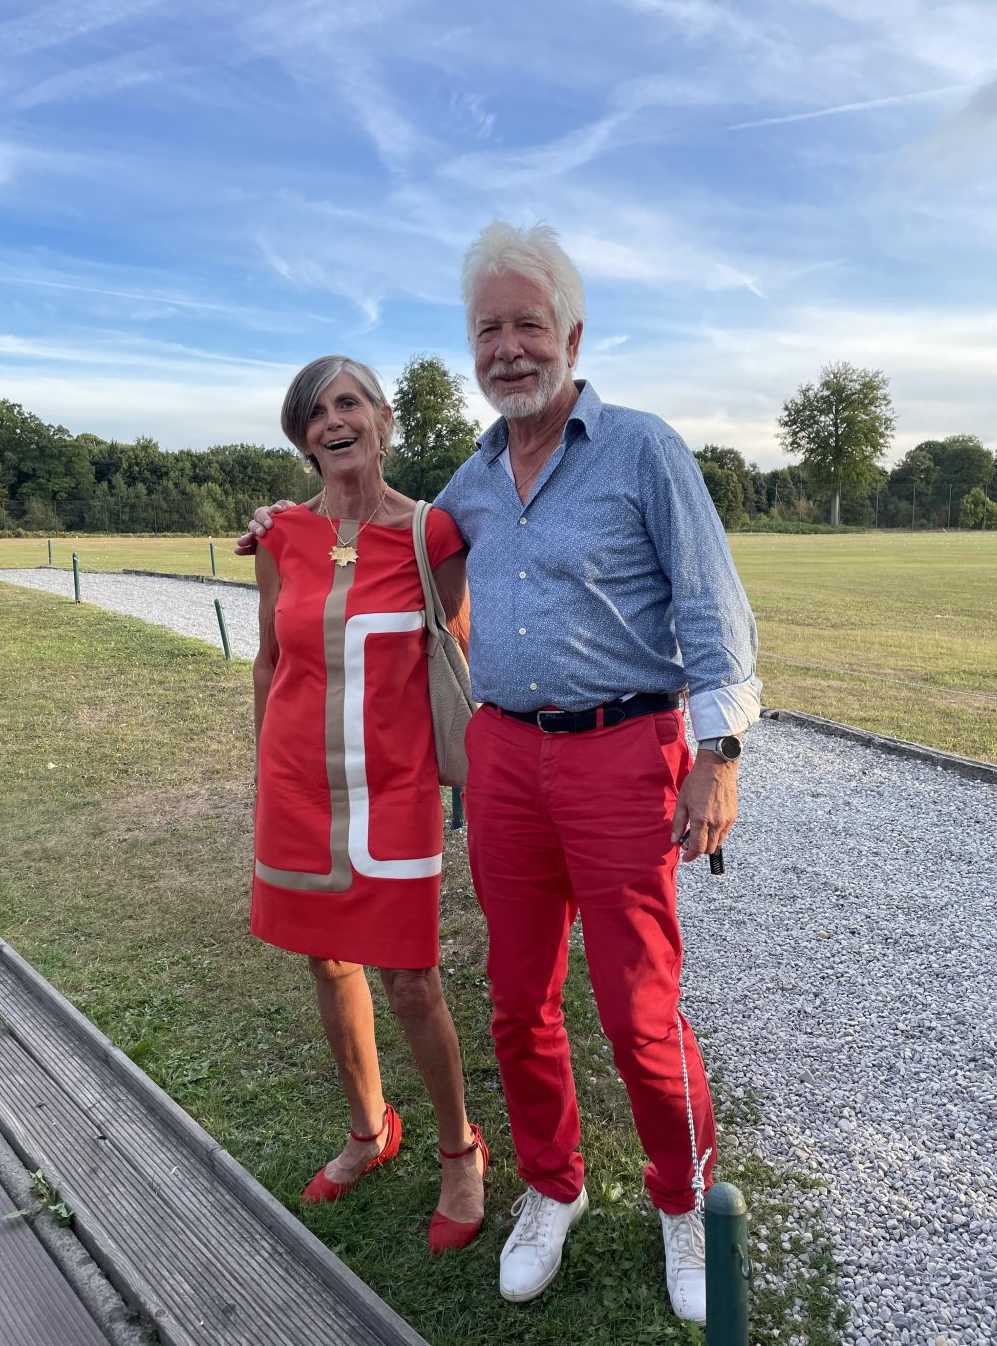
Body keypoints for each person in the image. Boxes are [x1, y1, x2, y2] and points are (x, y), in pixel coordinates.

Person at [239, 225, 761, 1323]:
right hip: (506, 758)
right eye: (489, 330)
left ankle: (680, 1198)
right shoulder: (465, 490)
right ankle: (553, 1186)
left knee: (638, 1008)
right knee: (520, 1002)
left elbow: (715, 608)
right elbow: (362, 536)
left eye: (529, 324)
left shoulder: (643, 449)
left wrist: (718, 756)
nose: (509, 348)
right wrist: (277, 524)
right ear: (472, 348)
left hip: (625, 748)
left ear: (572, 335)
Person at [251, 354, 487, 1255]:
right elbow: (269, 663)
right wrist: (264, 773)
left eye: (348, 403)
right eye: (315, 414)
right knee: (324, 959)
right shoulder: (280, 536)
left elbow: (458, 653)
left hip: (394, 790)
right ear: (303, 438)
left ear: (384, 419)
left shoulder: (432, 533)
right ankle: (369, 1127)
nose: (333, 422)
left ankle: (459, 1148)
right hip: (299, 785)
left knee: (411, 977)